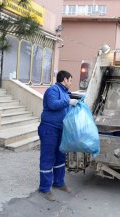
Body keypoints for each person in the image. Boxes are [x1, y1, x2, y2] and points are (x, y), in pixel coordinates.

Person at [38, 70, 78, 201]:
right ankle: (44, 189)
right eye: (70, 80)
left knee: (60, 157)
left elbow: (66, 109)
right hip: (49, 129)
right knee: (47, 158)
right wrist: (68, 102)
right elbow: (52, 105)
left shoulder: (65, 93)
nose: (71, 83)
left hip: (61, 130)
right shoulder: (53, 90)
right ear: (65, 79)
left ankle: (59, 183)